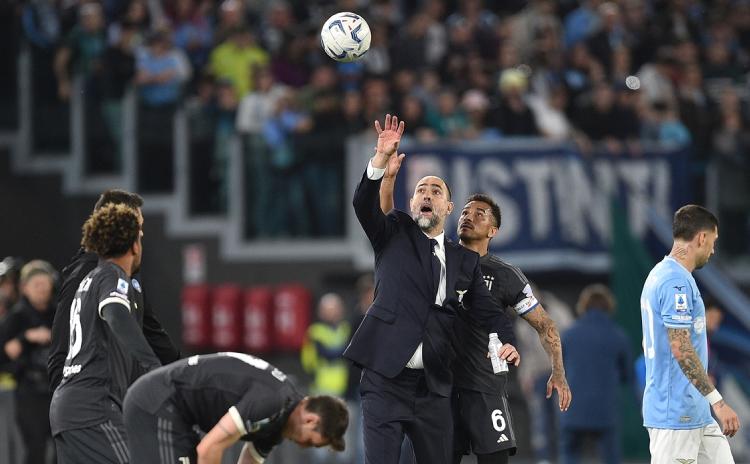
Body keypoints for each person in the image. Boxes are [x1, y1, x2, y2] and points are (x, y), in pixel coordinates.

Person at [346, 114, 519, 464]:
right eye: (420, 190)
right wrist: (380, 159)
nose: (427, 194)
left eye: (435, 191)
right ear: (412, 205)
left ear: (448, 208)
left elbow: (489, 312)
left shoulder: (464, 261)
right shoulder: (393, 232)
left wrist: (507, 339)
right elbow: (363, 204)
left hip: (434, 387)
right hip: (385, 380)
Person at [379, 157, 572, 463]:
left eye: (479, 214)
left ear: (493, 230)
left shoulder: (506, 275)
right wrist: (387, 178)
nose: (469, 217)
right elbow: (387, 223)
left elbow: (545, 325)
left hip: (484, 389)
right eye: (465, 212)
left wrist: (558, 373)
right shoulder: (436, 257)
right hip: (438, 390)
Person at [49, 203, 162, 463]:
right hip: (94, 406)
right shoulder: (113, 275)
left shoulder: (89, 279)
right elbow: (115, 314)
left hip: (69, 408)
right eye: (140, 237)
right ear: (134, 245)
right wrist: (154, 368)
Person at [48, 189, 179, 393]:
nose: (141, 233)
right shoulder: (88, 272)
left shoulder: (125, 273)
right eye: (137, 226)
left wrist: (183, 376)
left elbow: (152, 333)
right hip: (90, 396)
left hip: (115, 394)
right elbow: (62, 345)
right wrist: (62, 396)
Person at [640, 204, 740, 463]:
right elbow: (680, 348)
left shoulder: (662, 275)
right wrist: (718, 402)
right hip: (675, 416)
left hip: (695, 413)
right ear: (702, 237)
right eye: (713, 241)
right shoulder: (676, 282)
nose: (713, 250)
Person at [122, 352, 349, 464]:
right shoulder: (273, 403)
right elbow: (209, 448)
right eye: (310, 442)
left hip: (178, 415)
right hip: (158, 403)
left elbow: (248, 461)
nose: (302, 446)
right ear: (311, 420)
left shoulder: (280, 420)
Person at [559, 284, 631, 464]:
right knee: (611, 457)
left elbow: (559, 370)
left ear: (583, 306)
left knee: (570, 454)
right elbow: (627, 375)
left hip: (572, 408)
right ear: (609, 306)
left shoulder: (568, 335)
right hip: (605, 409)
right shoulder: (618, 336)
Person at [0, 260, 57, 464]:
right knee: (35, 448)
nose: (42, 289)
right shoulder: (16, 316)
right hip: (29, 390)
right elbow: (5, 352)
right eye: (36, 284)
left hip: (56, 390)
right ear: (25, 287)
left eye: (45, 283)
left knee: (60, 447)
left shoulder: (58, 314)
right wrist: (26, 337)